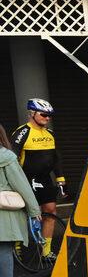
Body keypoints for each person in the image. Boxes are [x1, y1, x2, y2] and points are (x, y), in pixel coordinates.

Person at [10, 98, 64, 260]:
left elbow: (56, 159)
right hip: (26, 179)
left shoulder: (50, 134)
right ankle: (17, 247)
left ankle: (46, 251)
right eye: (44, 114)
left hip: (45, 179)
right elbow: (11, 158)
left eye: (49, 116)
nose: (47, 118)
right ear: (32, 113)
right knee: (27, 214)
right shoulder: (22, 133)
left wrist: (61, 179)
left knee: (50, 212)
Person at [0, 125, 42, 277]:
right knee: (4, 246)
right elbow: (21, 185)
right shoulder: (6, 157)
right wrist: (34, 209)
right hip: (4, 210)